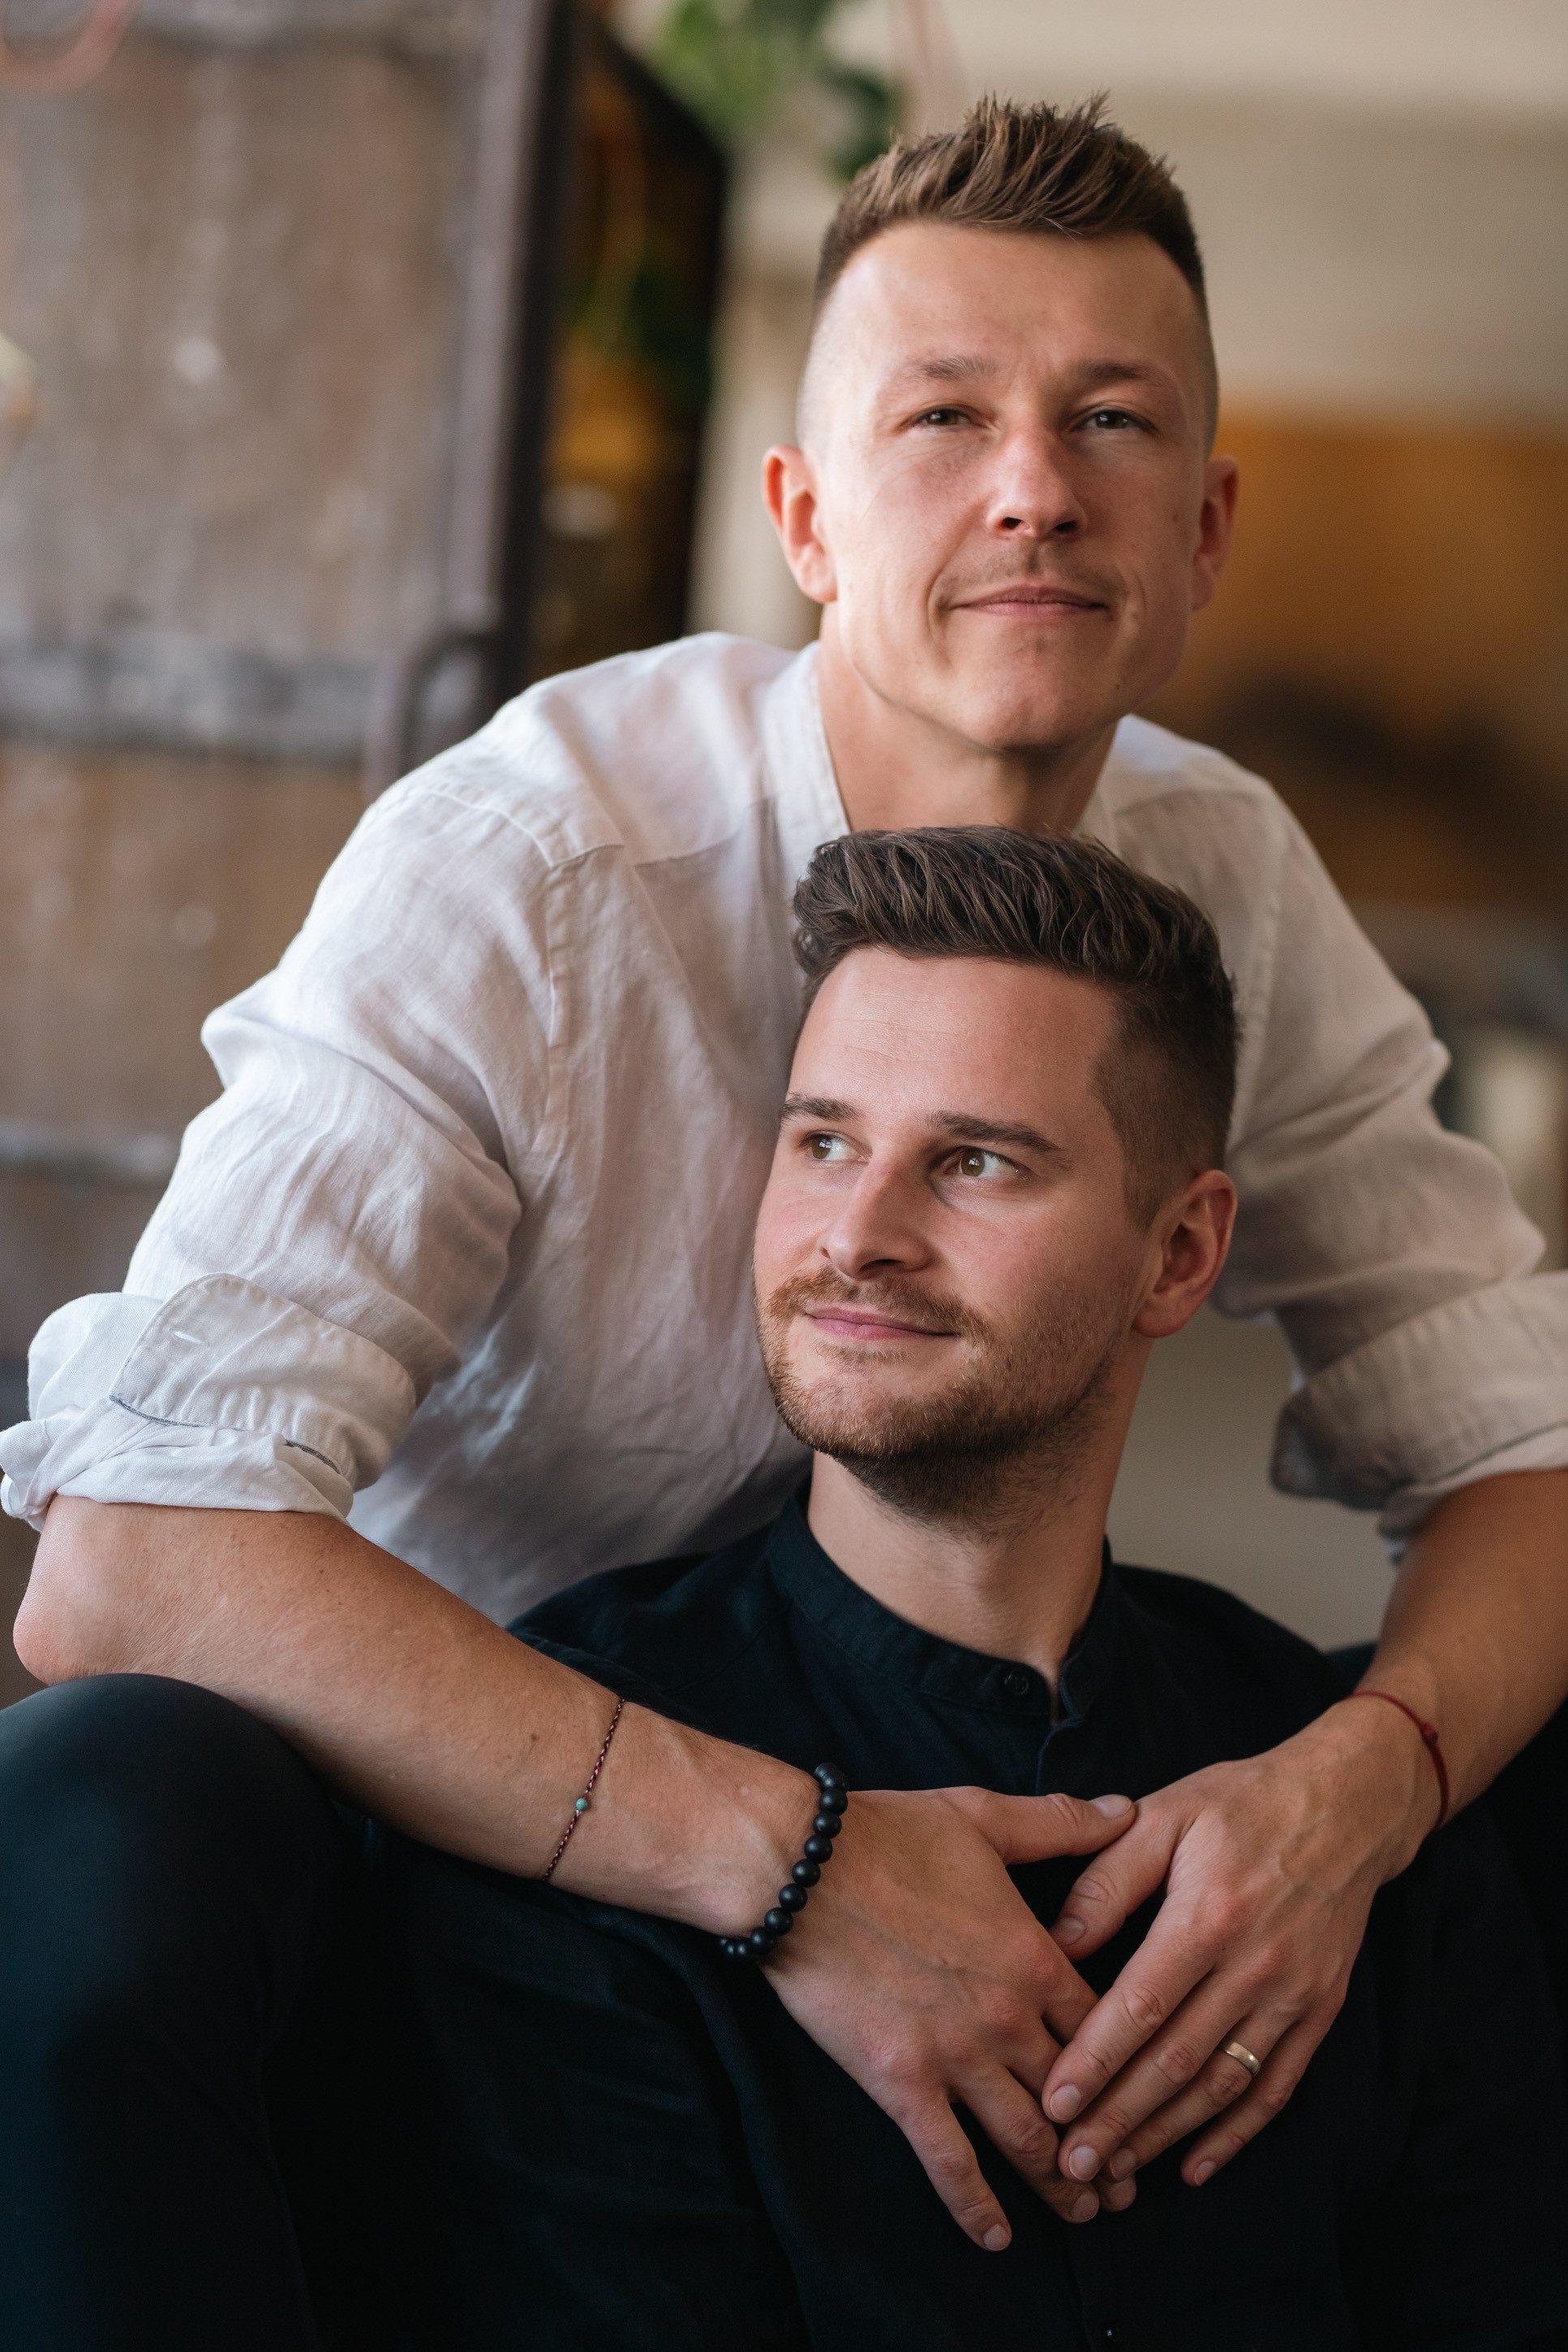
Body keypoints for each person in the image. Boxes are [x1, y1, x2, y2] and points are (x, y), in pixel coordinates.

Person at [3, 92, 1566, 2307]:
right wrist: (793, 1861)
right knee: (96, 1811)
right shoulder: (527, 867)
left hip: (927, 1725)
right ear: (802, 517)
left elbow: (1521, 1439)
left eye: (1110, 420)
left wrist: (1354, 1795)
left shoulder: (1216, 869)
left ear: (1206, 524)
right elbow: (128, 1554)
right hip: (456, 1803)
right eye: (943, 415)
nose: (1033, 487)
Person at [361, 827, 1568, 2350]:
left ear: (1176, 1254)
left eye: (975, 1162)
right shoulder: (558, 1799)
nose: (857, 1239)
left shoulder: (1344, 1805)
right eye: (822, 1143)